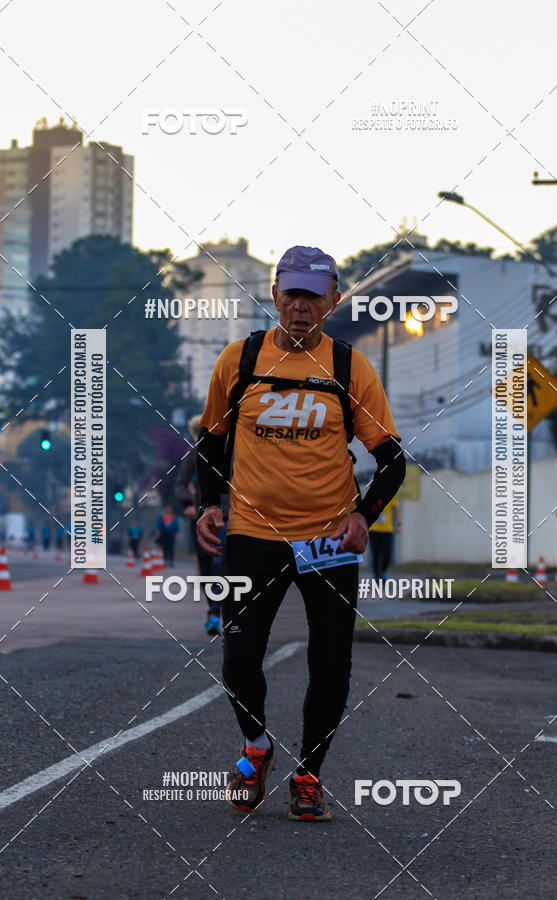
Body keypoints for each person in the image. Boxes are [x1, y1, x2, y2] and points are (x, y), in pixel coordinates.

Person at [195, 245, 405, 822]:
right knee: (239, 655)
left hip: (326, 541)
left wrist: (363, 514)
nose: (301, 306)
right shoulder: (238, 362)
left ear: (333, 300)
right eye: (292, 293)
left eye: (314, 295)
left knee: (331, 662)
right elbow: (211, 442)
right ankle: (256, 748)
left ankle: (308, 774)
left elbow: (391, 458)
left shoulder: (347, 367)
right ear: (275, 295)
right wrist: (208, 505)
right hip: (252, 536)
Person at [175, 415, 227, 636]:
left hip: (230, 516)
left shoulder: (235, 449)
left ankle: (218, 612)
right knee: (206, 568)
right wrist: (187, 503)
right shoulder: (195, 452)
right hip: (201, 516)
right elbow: (180, 483)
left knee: (219, 564)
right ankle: (213, 610)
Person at [369, 493, 401, 580]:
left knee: (387, 553)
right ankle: (376, 575)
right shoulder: (372, 494)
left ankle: (383, 572)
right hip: (373, 529)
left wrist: (398, 524)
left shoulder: (390, 494)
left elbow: (396, 509)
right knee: (375, 553)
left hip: (387, 530)